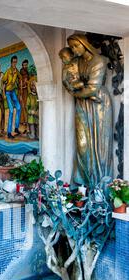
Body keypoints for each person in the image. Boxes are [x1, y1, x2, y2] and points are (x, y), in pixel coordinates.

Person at [66, 34, 113, 186]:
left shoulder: (98, 60)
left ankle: (100, 186)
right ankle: (84, 183)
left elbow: (92, 88)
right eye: (71, 47)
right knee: (82, 143)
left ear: (84, 44)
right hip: (82, 103)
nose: (74, 50)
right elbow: (69, 79)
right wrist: (75, 89)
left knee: (100, 146)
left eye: (76, 46)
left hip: (99, 104)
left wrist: (76, 91)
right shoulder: (77, 62)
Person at [2, 55, 22, 139]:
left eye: (16, 62)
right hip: (7, 92)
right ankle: (9, 132)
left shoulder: (16, 71)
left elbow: (20, 79)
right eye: (13, 62)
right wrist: (3, 94)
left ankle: (16, 128)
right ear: (11, 62)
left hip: (13, 91)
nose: (15, 63)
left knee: (18, 107)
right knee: (10, 110)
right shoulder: (8, 71)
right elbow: (3, 83)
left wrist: (20, 92)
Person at [19, 59, 30, 125]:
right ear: (22, 65)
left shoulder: (27, 72)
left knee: (25, 105)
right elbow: (21, 81)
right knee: (22, 105)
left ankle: (25, 120)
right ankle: (23, 120)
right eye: (24, 65)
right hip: (22, 90)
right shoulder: (22, 72)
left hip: (26, 90)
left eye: (26, 65)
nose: (25, 66)